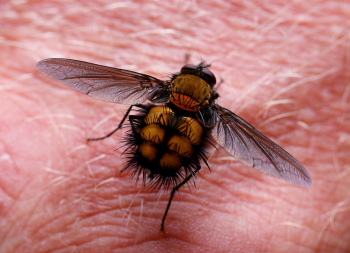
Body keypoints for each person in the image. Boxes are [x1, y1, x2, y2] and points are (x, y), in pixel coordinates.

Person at [1, 1, 349, 252]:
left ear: (175, 80)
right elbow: (240, 141)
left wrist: (112, 131)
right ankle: (169, 201)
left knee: (140, 106)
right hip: (175, 156)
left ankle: (128, 154)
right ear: (212, 92)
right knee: (202, 142)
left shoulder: (153, 88)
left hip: (157, 135)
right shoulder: (220, 114)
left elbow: (108, 84)